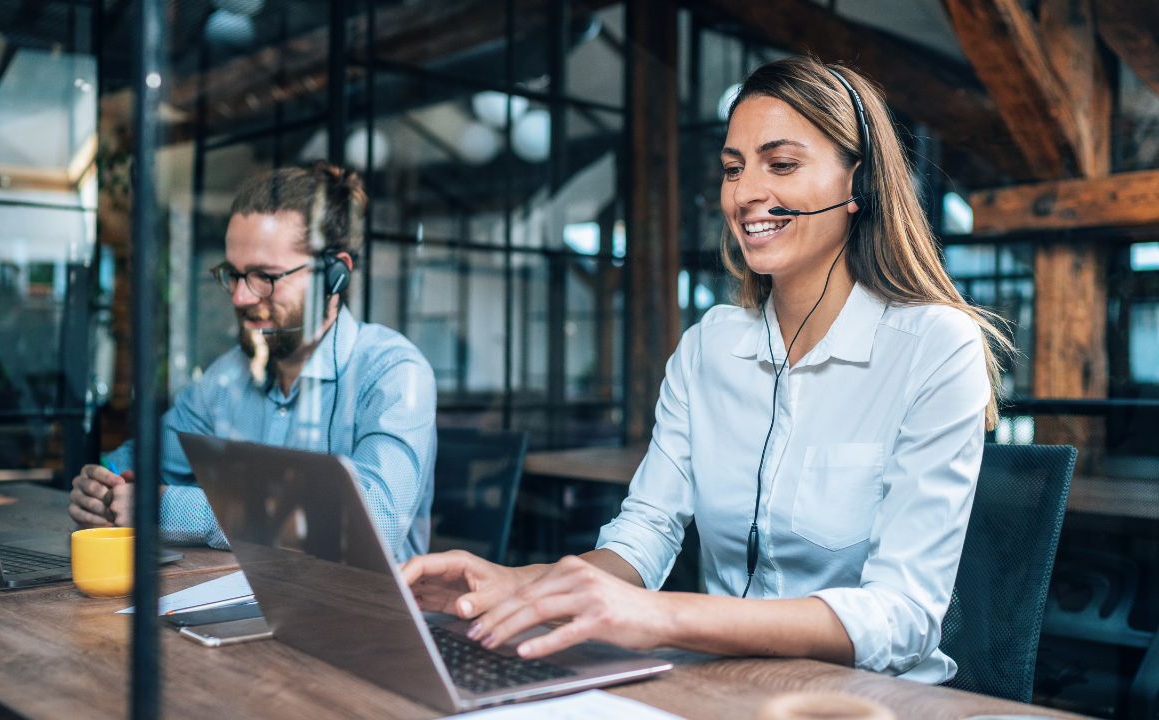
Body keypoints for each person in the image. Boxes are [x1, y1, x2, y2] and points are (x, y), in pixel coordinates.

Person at [401, 56, 1011, 682]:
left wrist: (661, 618)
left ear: (860, 186)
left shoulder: (935, 345)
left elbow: (902, 616)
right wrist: (520, 587)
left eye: (782, 164)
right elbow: (644, 534)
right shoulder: (709, 348)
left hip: (863, 700)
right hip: (723, 685)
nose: (746, 192)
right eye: (732, 168)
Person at [69, 162, 438, 561]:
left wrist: (169, 509)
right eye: (234, 274)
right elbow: (140, 463)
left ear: (335, 276)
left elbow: (372, 525)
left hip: (363, 615)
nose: (241, 297)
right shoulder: (226, 376)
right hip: (241, 603)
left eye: (266, 276)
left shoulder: (393, 373)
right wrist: (100, 486)